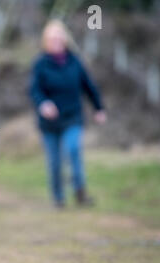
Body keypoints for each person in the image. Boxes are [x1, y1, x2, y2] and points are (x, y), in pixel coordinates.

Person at [29, 20, 106, 208]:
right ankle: (58, 198)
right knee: (54, 162)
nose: (56, 41)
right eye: (51, 38)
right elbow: (34, 90)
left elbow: (88, 86)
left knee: (72, 150)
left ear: (65, 39)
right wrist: (44, 104)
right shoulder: (41, 64)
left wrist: (98, 108)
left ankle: (80, 192)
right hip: (49, 122)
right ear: (46, 41)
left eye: (58, 37)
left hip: (72, 116)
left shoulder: (75, 62)